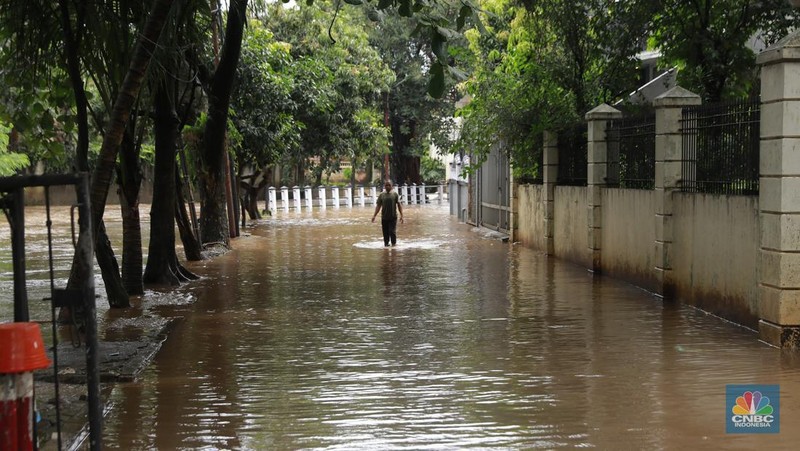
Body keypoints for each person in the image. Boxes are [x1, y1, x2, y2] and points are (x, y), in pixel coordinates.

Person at [371, 181, 404, 246]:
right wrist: (374, 215)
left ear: (392, 186)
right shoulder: (381, 195)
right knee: (385, 232)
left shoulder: (395, 194)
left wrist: (402, 215)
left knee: (392, 231)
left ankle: (394, 245)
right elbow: (378, 206)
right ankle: (386, 245)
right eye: (386, 185)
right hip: (384, 217)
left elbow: (399, 205)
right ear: (384, 186)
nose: (388, 186)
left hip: (393, 216)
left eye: (389, 185)